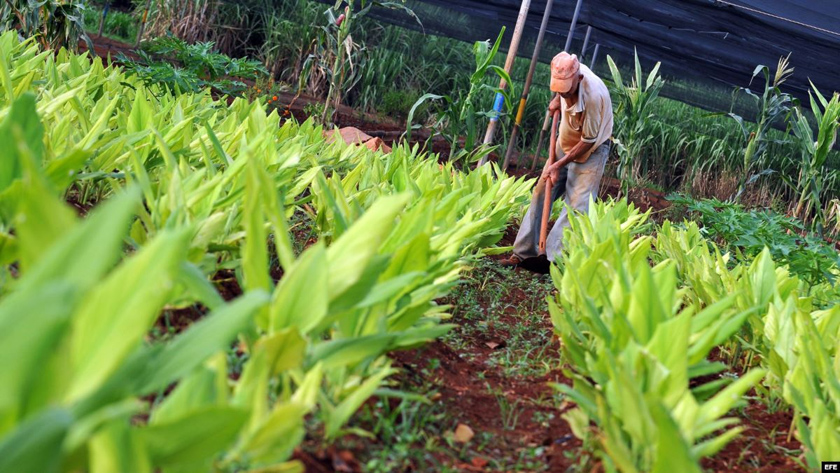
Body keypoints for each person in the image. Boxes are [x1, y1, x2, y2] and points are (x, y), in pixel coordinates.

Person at [500, 51, 613, 267]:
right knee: (541, 191)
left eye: (566, 91)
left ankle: (551, 261)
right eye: (558, 90)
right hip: (566, 139)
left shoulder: (593, 95)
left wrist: (557, 165)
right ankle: (522, 253)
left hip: (593, 148)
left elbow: (588, 141)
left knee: (577, 205)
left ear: (578, 79)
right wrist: (556, 100)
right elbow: (562, 90)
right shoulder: (565, 77)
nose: (564, 95)